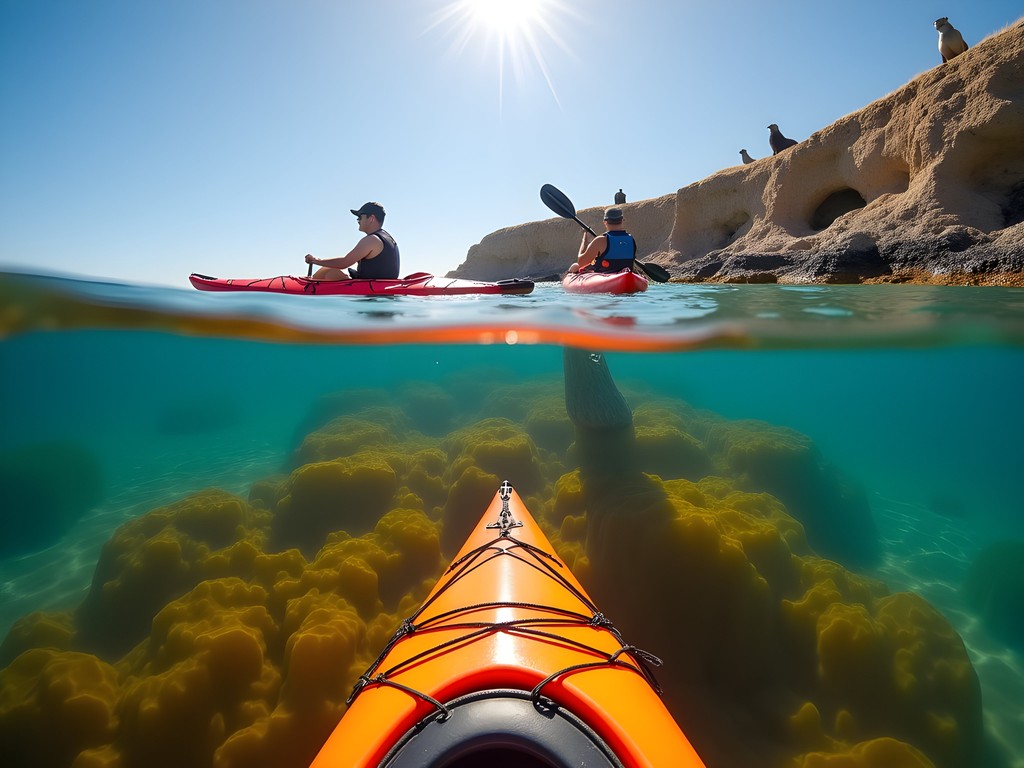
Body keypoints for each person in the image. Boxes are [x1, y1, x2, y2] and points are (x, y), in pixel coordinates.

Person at [305, 202, 400, 280]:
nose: (358, 220)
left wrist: (315, 260)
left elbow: (344, 263)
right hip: (380, 286)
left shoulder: (372, 240)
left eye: (360, 217)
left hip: (369, 291)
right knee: (328, 269)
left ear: (371, 219)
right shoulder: (388, 238)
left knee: (329, 271)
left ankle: (309, 287)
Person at [569, 207, 636, 274]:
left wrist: (584, 241)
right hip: (626, 276)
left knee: (574, 266)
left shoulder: (600, 240)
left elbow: (580, 263)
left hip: (606, 278)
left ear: (605, 222)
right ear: (622, 220)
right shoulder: (631, 239)